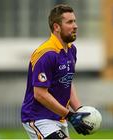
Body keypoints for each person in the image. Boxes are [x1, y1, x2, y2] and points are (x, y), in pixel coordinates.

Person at [21, 4, 92, 139]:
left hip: (59, 118)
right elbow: (40, 94)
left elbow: (67, 82)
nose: (75, 26)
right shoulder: (46, 54)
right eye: (70, 22)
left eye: (75, 21)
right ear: (56, 27)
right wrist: (70, 115)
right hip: (38, 118)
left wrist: (79, 111)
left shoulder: (71, 50)